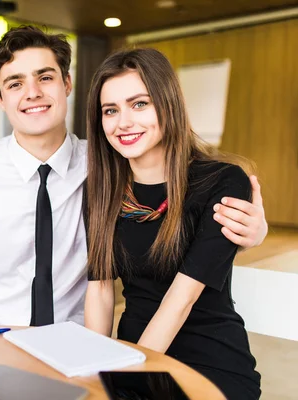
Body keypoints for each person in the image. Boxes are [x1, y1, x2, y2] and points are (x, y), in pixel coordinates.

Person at [0, 26, 268, 328]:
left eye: (45, 77)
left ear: (66, 83)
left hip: (80, 339)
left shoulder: (111, 164)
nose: (32, 92)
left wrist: (252, 231)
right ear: (0, 98)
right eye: (15, 84)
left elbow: (178, 203)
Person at [83, 48, 261, 399]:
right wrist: (95, 372)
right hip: (134, 354)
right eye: (110, 110)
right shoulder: (102, 190)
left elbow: (181, 299)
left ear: (168, 104)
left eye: (139, 104)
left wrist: (130, 377)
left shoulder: (223, 181)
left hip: (210, 364)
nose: (124, 123)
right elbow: (100, 290)